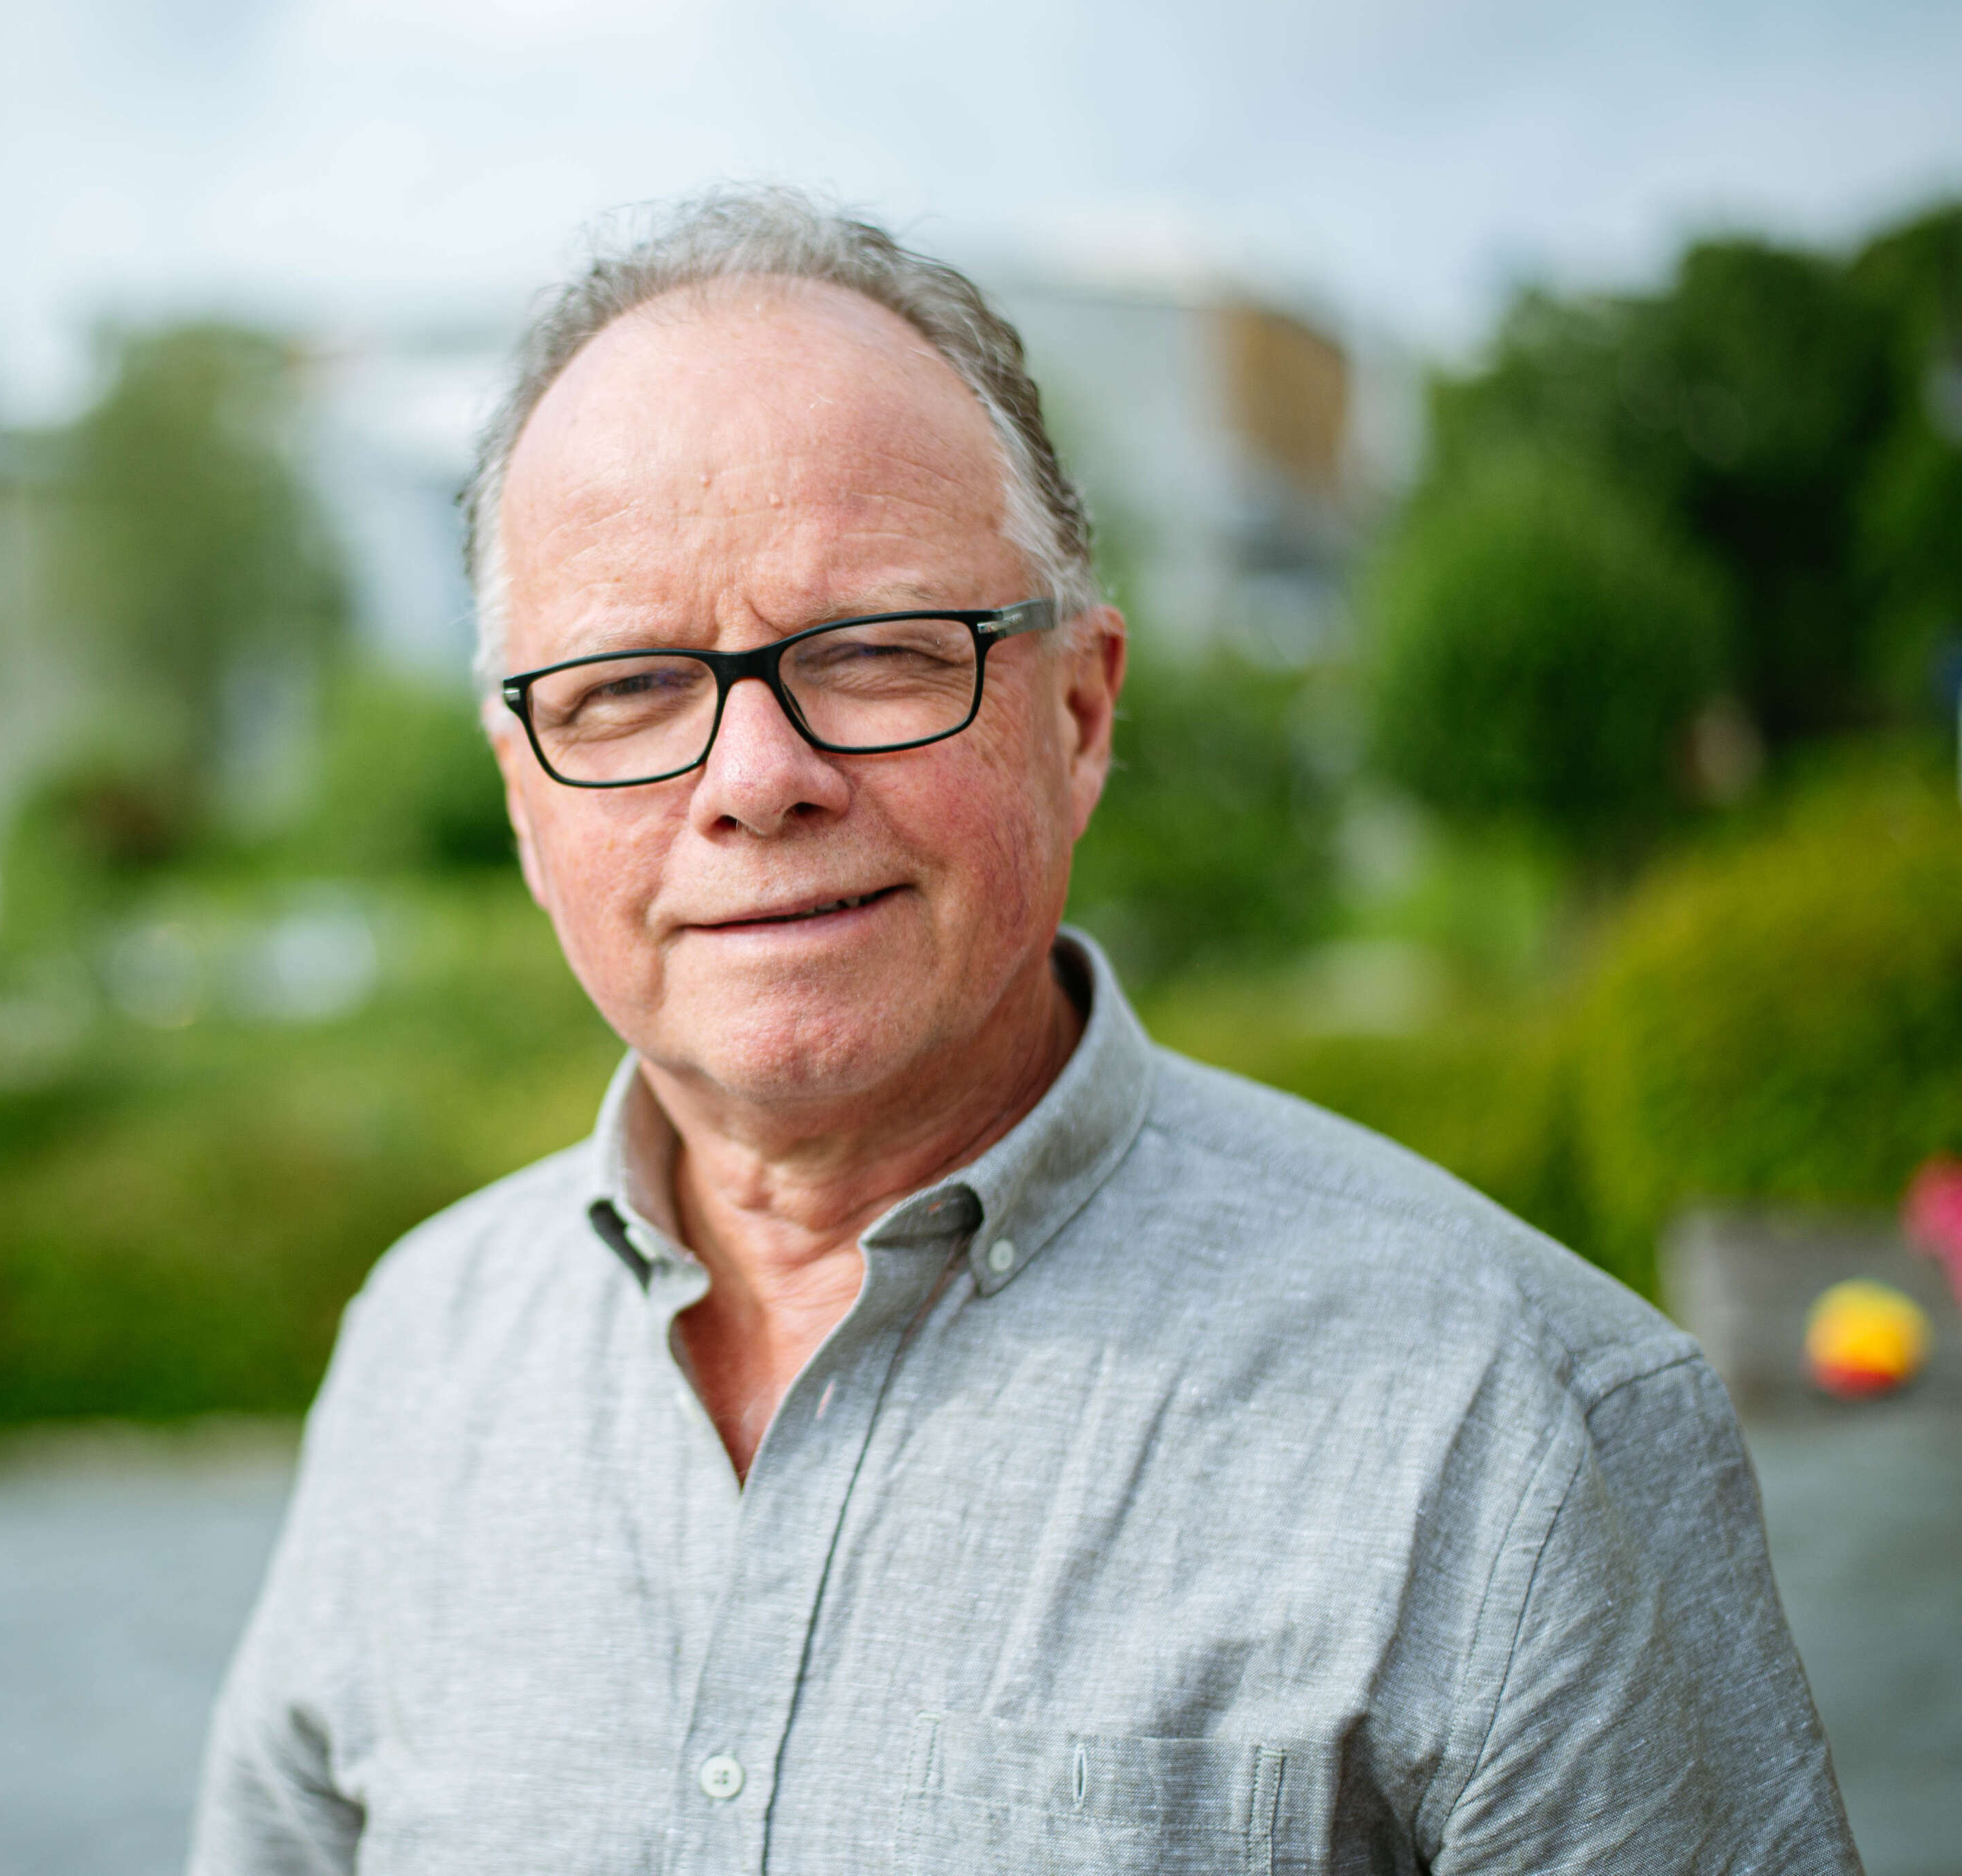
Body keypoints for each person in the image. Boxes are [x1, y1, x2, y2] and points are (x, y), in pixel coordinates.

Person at [188, 189, 1858, 1875]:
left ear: (1077, 713)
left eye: (875, 651)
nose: (755, 781)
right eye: (624, 688)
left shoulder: (1513, 1423)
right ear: (520, 796)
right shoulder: (419, 1359)